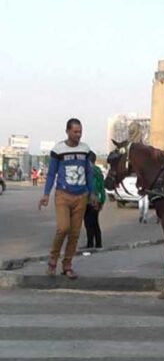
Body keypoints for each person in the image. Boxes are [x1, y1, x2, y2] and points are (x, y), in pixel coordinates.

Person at [38, 118, 97, 279]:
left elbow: (88, 173)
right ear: (68, 131)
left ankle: (67, 265)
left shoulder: (85, 149)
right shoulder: (58, 149)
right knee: (63, 228)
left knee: (75, 233)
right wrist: (46, 194)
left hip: (81, 196)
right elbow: (51, 174)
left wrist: (92, 193)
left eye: (80, 132)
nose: (78, 135)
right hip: (63, 195)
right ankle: (52, 260)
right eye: (75, 132)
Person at [83, 152, 105, 249]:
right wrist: (102, 201)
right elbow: (102, 187)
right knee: (95, 222)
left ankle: (90, 243)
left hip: (90, 200)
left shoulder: (89, 171)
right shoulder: (98, 170)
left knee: (89, 222)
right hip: (98, 199)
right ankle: (98, 243)